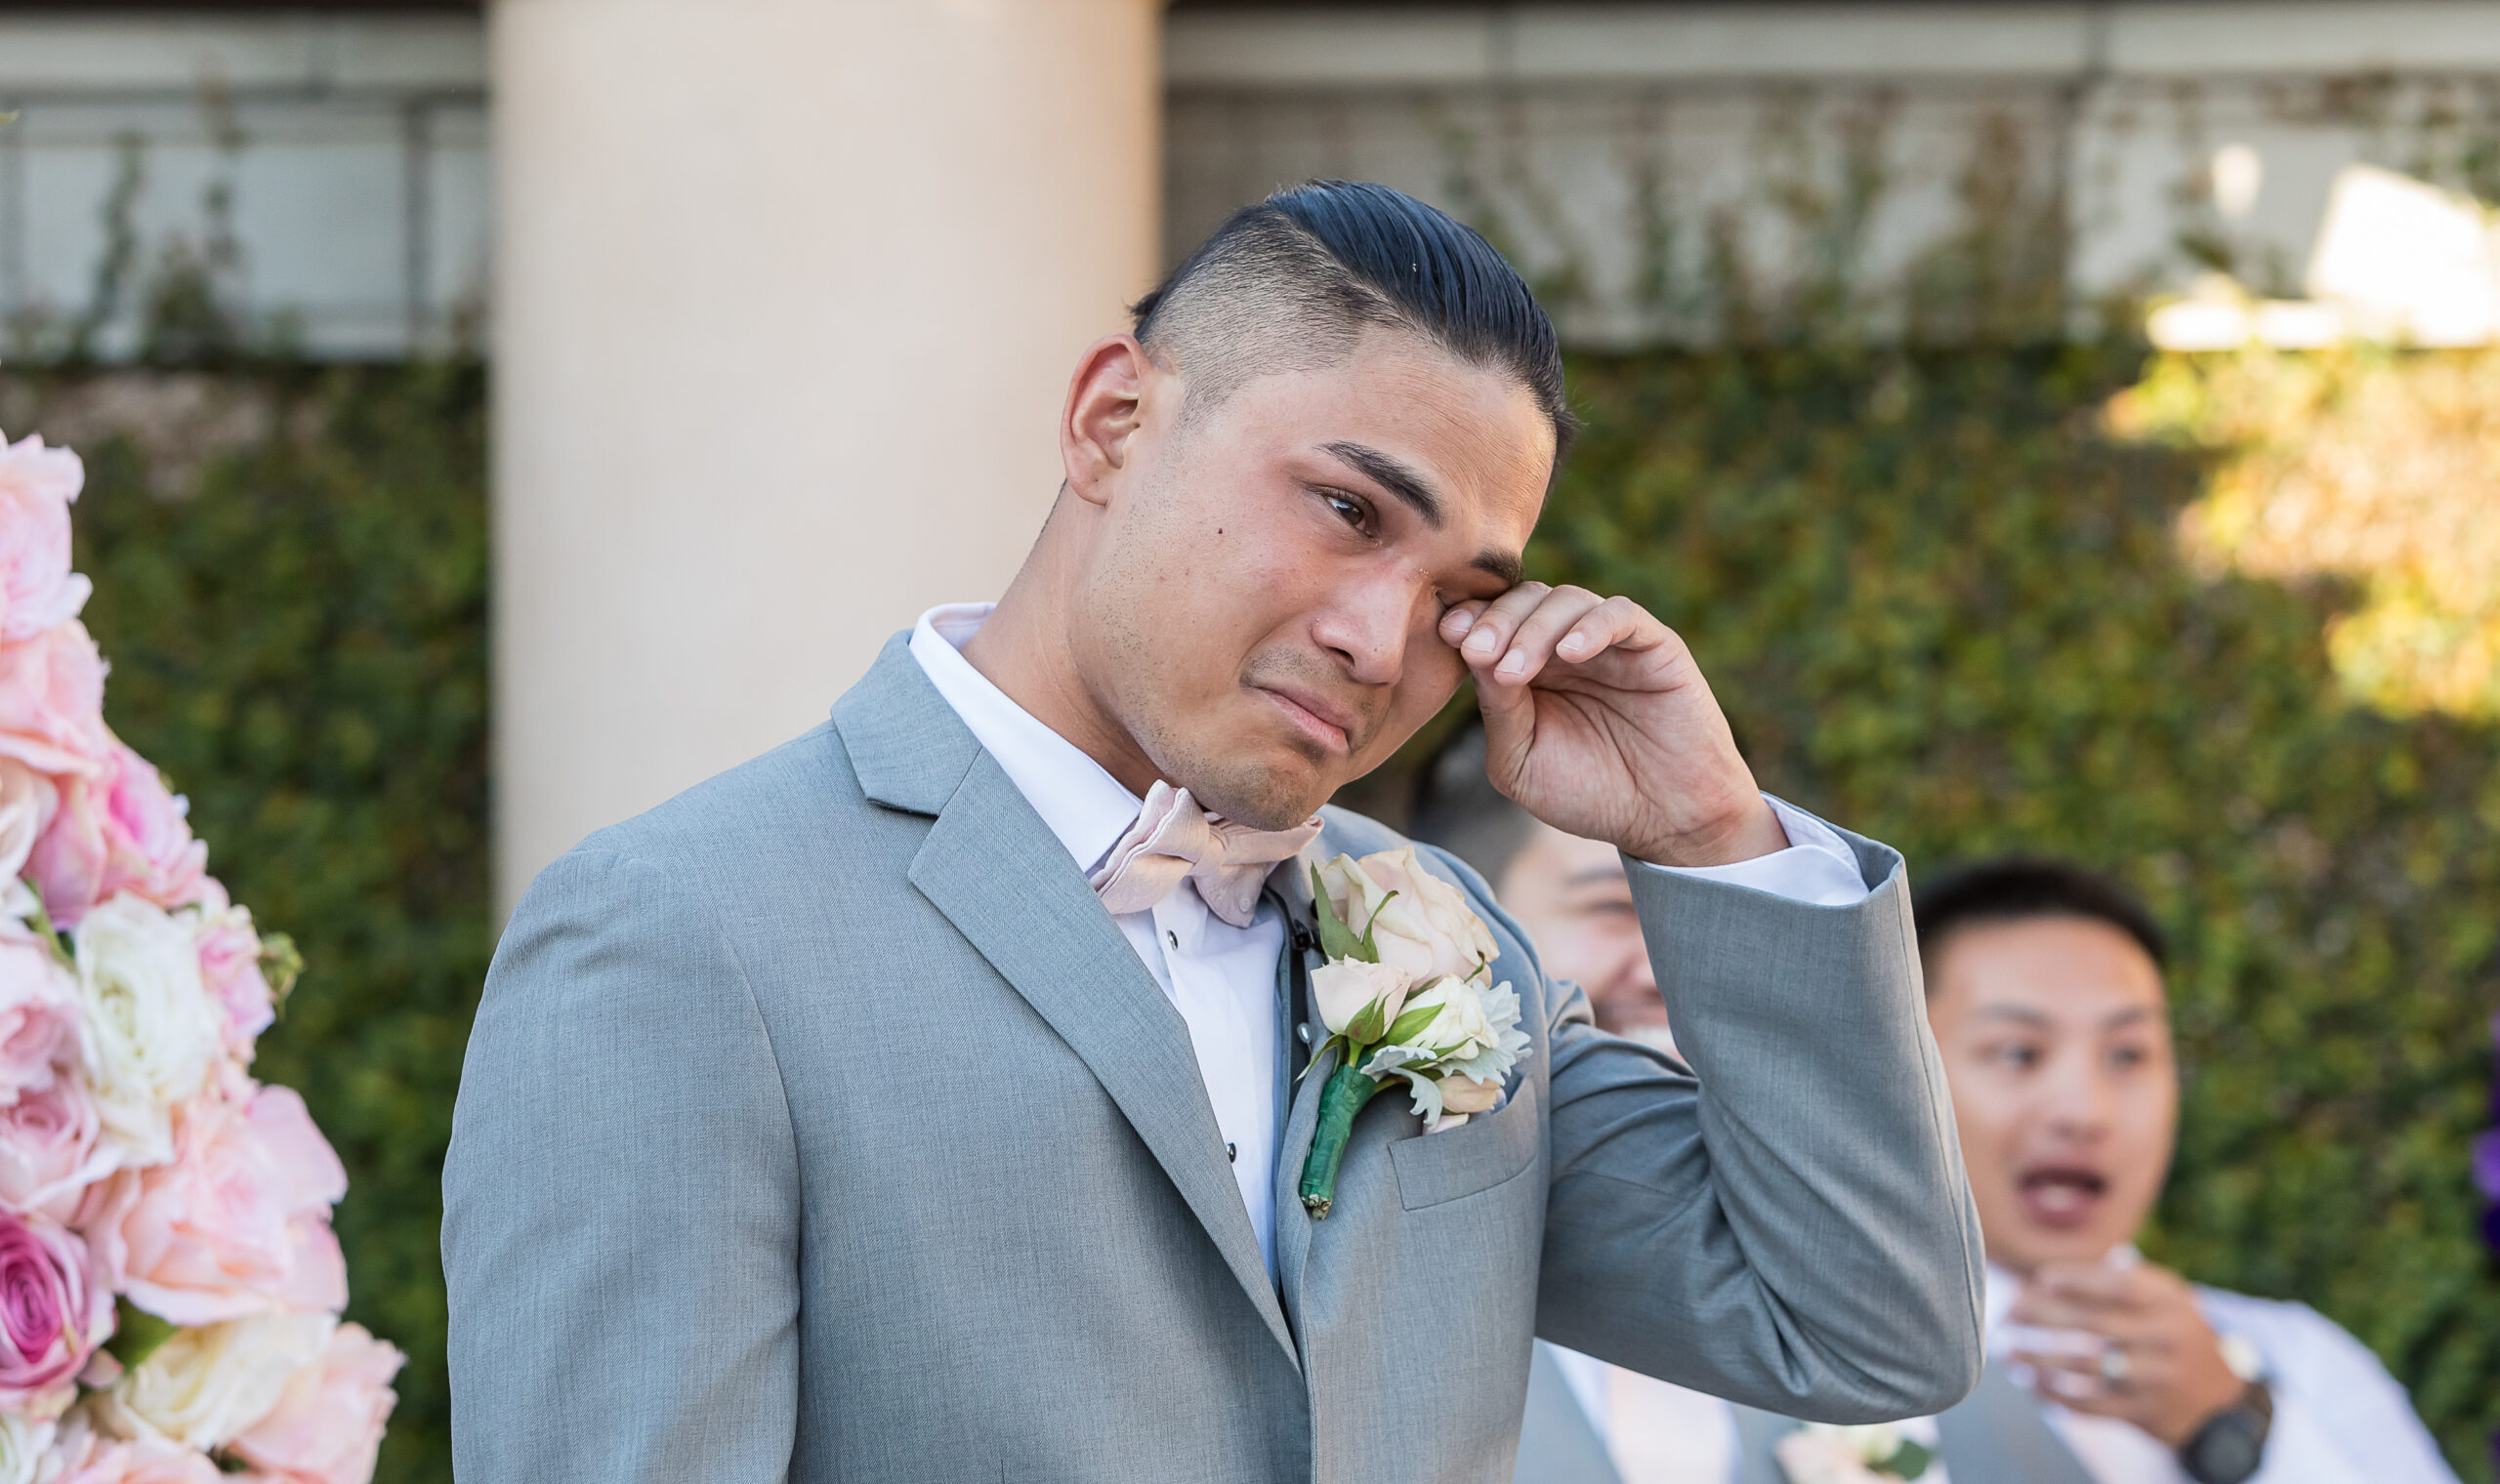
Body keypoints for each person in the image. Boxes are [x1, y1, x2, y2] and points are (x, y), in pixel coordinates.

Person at [441, 181, 1985, 1484]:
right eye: (1350, 511)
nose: (1389, 641)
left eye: (1465, 594)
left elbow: (1862, 1326)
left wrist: (1712, 829)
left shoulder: (1448, 934)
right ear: (1112, 421)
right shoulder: (685, 931)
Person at [1729, 857, 2461, 1484]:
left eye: (2128, 1054)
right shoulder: (1772, 1351)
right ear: (1891, 1068)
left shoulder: (2298, 1360)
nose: (2084, 1111)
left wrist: (2233, 1429)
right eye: (2018, 1051)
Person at [1413, 723, 1742, 1484]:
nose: (1671, 969)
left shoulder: (1801, 1260)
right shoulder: (1393, 1274)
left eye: (1704, 917)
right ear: (1461, 918)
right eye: (1613, 907)